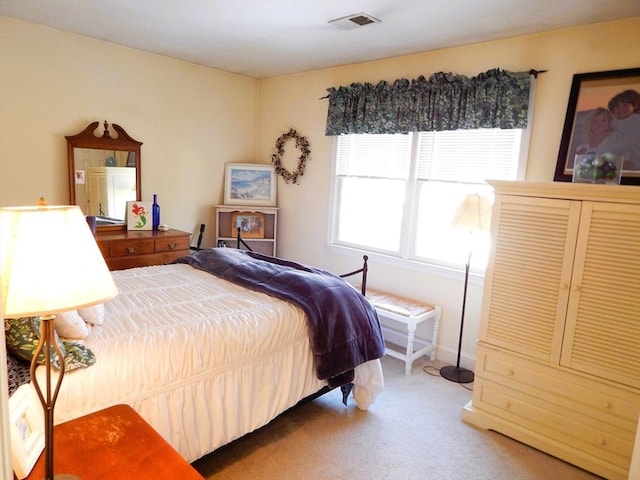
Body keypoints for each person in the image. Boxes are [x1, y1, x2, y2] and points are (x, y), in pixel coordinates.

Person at [608, 89, 640, 170]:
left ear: (635, 106)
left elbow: (626, 143)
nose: (620, 108)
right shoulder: (612, 121)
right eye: (616, 106)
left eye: (625, 105)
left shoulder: (636, 121)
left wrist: (603, 151)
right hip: (620, 163)